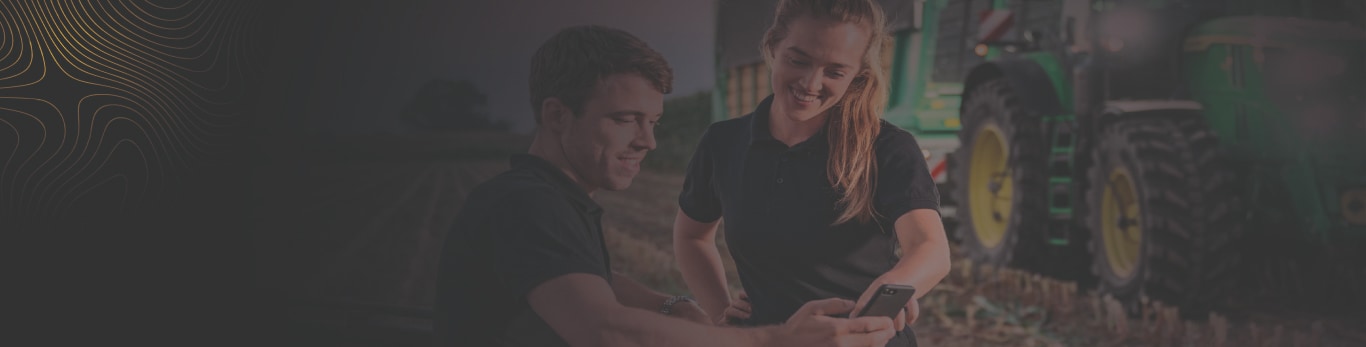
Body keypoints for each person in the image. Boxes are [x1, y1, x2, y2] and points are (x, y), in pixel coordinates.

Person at [434, 25, 898, 347]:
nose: (648, 141)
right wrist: (773, 339)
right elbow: (606, 332)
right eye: (625, 120)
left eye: (653, 121)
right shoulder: (526, 204)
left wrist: (672, 304)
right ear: (557, 115)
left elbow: (580, 278)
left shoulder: (551, 201)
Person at [673, 0, 952, 346]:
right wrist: (719, 316)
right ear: (774, 46)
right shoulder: (723, 142)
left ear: (857, 75)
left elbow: (930, 247)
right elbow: (692, 237)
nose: (811, 82)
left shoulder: (887, 148)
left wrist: (892, 288)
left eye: (835, 72)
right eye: (798, 60)